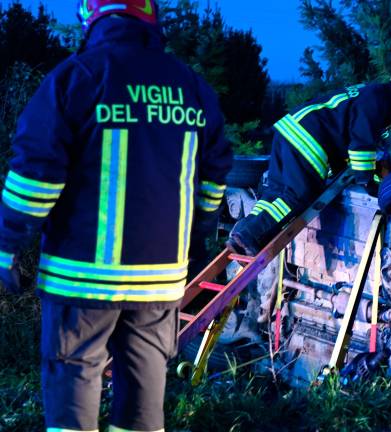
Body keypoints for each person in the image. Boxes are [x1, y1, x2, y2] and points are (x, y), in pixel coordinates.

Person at [0, 1, 232, 430]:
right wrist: (197, 243)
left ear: (92, 14)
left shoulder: (76, 77)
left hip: (82, 282)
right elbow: (213, 180)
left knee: (73, 393)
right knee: (144, 402)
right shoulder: (191, 87)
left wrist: (8, 246)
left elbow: (35, 180)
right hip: (161, 281)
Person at [227, 67, 391, 255]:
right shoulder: (379, 101)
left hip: (289, 129)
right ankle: (250, 236)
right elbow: (361, 143)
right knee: (297, 197)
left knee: (276, 192)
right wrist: (367, 182)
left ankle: (243, 234)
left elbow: (345, 134)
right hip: (307, 138)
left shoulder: (371, 93)